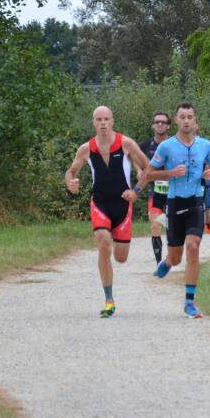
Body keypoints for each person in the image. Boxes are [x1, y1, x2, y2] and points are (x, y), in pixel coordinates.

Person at [65, 106, 151, 318]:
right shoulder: (86, 149)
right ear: (93, 123)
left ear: (112, 121)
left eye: (106, 119)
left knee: (121, 257)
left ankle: (114, 253)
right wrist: (71, 183)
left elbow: (148, 168)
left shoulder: (126, 144)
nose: (103, 123)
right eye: (98, 119)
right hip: (100, 203)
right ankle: (109, 300)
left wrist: (136, 191)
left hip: (122, 205)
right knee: (103, 243)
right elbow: (71, 171)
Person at [145, 102, 210, 318]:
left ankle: (189, 302)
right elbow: (148, 173)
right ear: (176, 120)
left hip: (195, 202)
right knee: (176, 258)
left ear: (195, 121)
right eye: (182, 117)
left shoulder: (205, 145)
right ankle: (167, 262)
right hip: (175, 203)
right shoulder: (166, 146)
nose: (186, 121)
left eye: (190, 117)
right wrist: (169, 173)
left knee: (193, 247)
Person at [139, 111, 171, 263]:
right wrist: (138, 171)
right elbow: (133, 157)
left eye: (163, 122)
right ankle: (159, 264)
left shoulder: (175, 144)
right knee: (156, 225)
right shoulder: (145, 145)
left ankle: (173, 256)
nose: (160, 124)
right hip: (155, 192)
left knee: (173, 228)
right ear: (153, 125)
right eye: (157, 122)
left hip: (175, 192)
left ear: (168, 126)